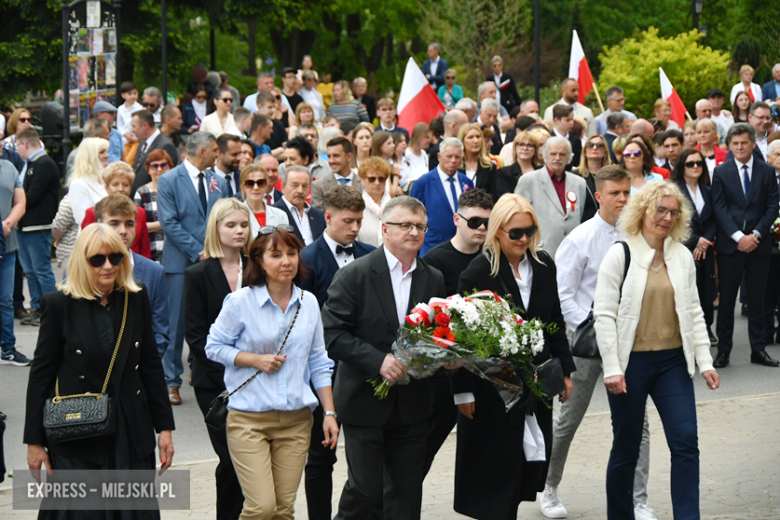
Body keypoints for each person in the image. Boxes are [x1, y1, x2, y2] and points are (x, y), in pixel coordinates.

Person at [24, 224, 175, 519]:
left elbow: (151, 366)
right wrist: (34, 441)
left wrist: (165, 428)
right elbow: (40, 375)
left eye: (115, 258)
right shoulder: (58, 305)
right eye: (97, 259)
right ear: (83, 261)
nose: (108, 266)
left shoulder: (136, 297)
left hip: (131, 431)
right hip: (78, 434)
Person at [594, 181, 720, 520]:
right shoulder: (620, 254)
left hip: (672, 364)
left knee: (685, 444)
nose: (665, 218)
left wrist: (705, 362)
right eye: (659, 210)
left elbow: (694, 312)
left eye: (673, 212)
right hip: (630, 364)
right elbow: (603, 314)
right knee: (627, 448)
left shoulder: (681, 256)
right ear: (644, 211)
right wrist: (612, 368)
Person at [543, 166, 658, 520]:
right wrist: (593, 327)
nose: (623, 199)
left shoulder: (641, 236)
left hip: (631, 346)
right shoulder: (580, 238)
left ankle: (638, 500)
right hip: (588, 347)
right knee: (568, 421)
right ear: (599, 195)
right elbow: (562, 296)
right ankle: (548, 488)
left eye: (627, 192)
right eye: (615, 193)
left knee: (637, 426)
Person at [321, 195, 445, 520]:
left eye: (420, 226)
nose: (414, 232)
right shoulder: (356, 275)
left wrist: (445, 355)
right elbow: (332, 334)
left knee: (406, 491)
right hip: (364, 401)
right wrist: (379, 361)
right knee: (366, 491)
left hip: (412, 404)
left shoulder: (433, 278)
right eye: (406, 225)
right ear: (385, 229)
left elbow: (438, 334)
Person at [452, 193, 574, 520]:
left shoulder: (545, 265)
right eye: (515, 232)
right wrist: (462, 391)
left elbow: (555, 322)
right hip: (491, 388)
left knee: (526, 466)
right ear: (496, 232)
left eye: (529, 230)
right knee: (495, 469)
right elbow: (462, 339)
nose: (523, 239)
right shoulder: (478, 272)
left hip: (536, 381)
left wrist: (565, 372)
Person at [204, 223, 337, 520]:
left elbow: (319, 361)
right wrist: (254, 359)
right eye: (276, 255)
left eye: (292, 253)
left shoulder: (309, 302)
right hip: (248, 421)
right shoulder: (240, 301)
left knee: (283, 510)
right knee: (261, 508)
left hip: (296, 422)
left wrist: (329, 413)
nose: (286, 261)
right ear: (260, 261)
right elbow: (213, 347)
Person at [298, 185, 375, 520]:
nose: (355, 228)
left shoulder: (372, 253)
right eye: (348, 221)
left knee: (369, 456)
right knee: (320, 457)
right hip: (322, 373)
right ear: (327, 217)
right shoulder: (305, 260)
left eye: (359, 221)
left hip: (364, 369)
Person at [184, 199, 250, 520]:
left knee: (253, 458)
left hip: (257, 379)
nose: (239, 231)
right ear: (216, 228)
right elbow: (195, 335)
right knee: (231, 458)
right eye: (231, 225)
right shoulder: (198, 273)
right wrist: (233, 362)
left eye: (243, 225)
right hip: (214, 383)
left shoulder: (259, 267)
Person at [422, 189, 492, 474]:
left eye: (488, 222)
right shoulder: (436, 261)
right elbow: (430, 326)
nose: (482, 228)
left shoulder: (491, 257)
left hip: (485, 371)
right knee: (424, 449)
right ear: (456, 219)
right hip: (444, 373)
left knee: (480, 453)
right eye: (474, 221)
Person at [157, 132, 228, 404]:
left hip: (215, 261)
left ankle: (205, 371)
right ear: (201, 152)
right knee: (175, 324)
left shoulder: (218, 182)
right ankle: (170, 380)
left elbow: (226, 216)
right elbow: (170, 222)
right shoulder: (169, 180)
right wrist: (199, 251)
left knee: (214, 320)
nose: (217, 155)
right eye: (214, 150)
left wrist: (215, 251)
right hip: (181, 263)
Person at [711, 123, 780, 368]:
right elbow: (720, 208)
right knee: (727, 300)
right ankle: (723, 351)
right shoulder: (721, 172)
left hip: (759, 246)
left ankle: (758, 350)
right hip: (731, 247)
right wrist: (739, 236)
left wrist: (756, 235)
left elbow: (773, 206)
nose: (740, 147)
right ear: (729, 145)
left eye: (744, 143)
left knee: (758, 300)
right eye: (735, 143)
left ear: (753, 143)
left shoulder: (766, 171)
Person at [95, 193, 169, 356]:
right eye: (114, 223)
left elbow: (160, 332)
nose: (123, 231)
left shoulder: (154, 272)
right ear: (99, 225)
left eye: (129, 224)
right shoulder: (81, 269)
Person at [671, 149, 718, 345]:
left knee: (707, 288)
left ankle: (707, 327)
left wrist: (705, 240)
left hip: (705, 248)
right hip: (684, 247)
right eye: (690, 164)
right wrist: (695, 240)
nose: (695, 167)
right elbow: (673, 221)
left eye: (699, 163)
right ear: (682, 167)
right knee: (690, 290)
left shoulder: (708, 190)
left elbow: (715, 217)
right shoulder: (674, 190)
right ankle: (688, 333)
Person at [514, 136, 587, 258]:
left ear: (569, 158)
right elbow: (518, 217)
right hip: (541, 251)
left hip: (573, 252)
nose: (557, 158)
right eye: (553, 154)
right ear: (544, 155)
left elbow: (579, 215)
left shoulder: (579, 183)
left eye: (562, 154)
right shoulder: (528, 180)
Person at [16, 128, 59, 329]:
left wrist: (16, 210)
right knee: (31, 271)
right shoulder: (30, 164)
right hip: (25, 226)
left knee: (41, 270)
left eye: (18, 146)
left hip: (38, 225)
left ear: (25, 144)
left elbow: (31, 195)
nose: (17, 150)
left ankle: (52, 310)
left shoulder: (44, 164)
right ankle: (37, 307)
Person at [410, 137, 474, 255]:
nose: (453, 160)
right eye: (449, 156)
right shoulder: (423, 183)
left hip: (463, 248)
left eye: (457, 157)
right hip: (432, 248)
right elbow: (412, 218)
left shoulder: (467, 183)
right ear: (439, 157)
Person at [81, 162, 152, 259]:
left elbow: (145, 249)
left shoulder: (140, 212)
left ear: (131, 187)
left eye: (125, 185)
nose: (121, 189)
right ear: (107, 187)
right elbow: (86, 247)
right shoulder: (92, 213)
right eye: (115, 184)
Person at [0, 148, 28, 365]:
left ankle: (7, 347)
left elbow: (20, 201)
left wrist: (9, 222)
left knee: (6, 300)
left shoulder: (9, 167)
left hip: (7, 246)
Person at [134, 149, 173, 264]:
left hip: (173, 251)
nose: (159, 169)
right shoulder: (141, 192)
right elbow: (136, 226)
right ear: (148, 169)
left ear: (170, 167)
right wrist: (165, 224)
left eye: (164, 165)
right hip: (150, 251)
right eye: (154, 166)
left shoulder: (176, 190)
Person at [272, 165, 325, 246]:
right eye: (295, 185)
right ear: (283, 187)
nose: (300, 190)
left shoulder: (319, 215)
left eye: (305, 186)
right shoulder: (273, 213)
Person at [131, 109, 179, 195]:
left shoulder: (165, 146)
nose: (132, 130)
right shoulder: (143, 142)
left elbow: (166, 177)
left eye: (134, 126)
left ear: (145, 125)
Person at [311, 136, 362, 210]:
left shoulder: (363, 183)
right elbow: (318, 217)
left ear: (349, 157)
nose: (332, 161)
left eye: (336, 156)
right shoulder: (318, 186)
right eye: (329, 156)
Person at [68, 137, 109, 226]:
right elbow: (83, 219)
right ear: (91, 156)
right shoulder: (78, 184)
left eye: (106, 151)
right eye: (102, 152)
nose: (107, 155)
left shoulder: (105, 180)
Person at [240, 163, 289, 237]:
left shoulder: (281, 215)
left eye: (260, 183)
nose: (256, 187)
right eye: (250, 183)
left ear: (266, 185)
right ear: (243, 187)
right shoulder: (235, 215)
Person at [356, 157, 393, 248]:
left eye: (381, 179)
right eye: (372, 179)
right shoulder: (357, 206)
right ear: (362, 180)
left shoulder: (394, 206)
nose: (377, 183)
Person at [575, 134, 613, 222]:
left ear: (605, 151)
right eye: (590, 145)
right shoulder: (575, 175)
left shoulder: (612, 175)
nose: (594, 148)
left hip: (608, 222)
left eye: (599, 145)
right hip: (583, 224)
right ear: (584, 151)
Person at [495, 131, 539, 199]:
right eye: (521, 145)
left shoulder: (542, 171)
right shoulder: (503, 173)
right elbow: (504, 199)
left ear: (535, 149)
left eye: (530, 145)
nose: (525, 148)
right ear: (515, 148)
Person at [457, 122, 496, 196]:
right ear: (462, 141)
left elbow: (493, 196)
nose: (476, 141)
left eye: (478, 137)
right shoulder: (455, 166)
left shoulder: (489, 166)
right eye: (470, 137)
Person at [550, 104, 581, 171]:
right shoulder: (548, 138)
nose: (571, 123)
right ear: (556, 120)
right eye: (567, 120)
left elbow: (577, 163)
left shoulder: (576, 140)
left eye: (572, 119)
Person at [211, 134, 242, 198]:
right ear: (219, 154)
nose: (239, 158)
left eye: (240, 153)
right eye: (234, 154)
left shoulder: (243, 178)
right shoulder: (207, 179)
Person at [116, 81, 144, 146]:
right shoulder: (120, 109)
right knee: (125, 155)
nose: (133, 96)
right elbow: (119, 125)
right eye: (129, 94)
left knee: (131, 156)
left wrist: (136, 137)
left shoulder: (140, 108)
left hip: (137, 139)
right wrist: (125, 134)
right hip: (125, 139)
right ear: (123, 95)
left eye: (135, 93)